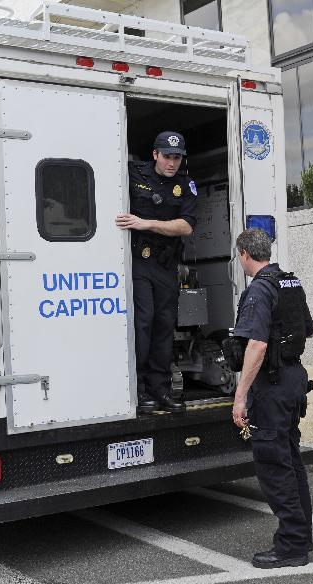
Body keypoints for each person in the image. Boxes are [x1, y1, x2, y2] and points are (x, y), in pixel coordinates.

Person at [230, 228, 313, 569]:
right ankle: (302, 535)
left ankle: (292, 546)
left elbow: (258, 345)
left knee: (274, 467)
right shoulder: (289, 282)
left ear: (245, 255)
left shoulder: (260, 290)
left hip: (274, 384)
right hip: (294, 378)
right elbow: (307, 329)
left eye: (240, 256)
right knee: (291, 462)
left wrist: (240, 396)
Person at [116, 131, 197, 415]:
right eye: (167, 156)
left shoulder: (185, 185)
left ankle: (159, 389)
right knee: (143, 323)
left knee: (164, 327)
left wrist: (145, 223)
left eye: (176, 157)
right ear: (154, 155)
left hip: (166, 265)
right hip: (139, 263)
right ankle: (137, 388)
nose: (172, 163)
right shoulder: (132, 173)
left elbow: (186, 226)